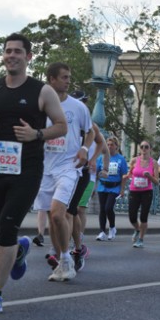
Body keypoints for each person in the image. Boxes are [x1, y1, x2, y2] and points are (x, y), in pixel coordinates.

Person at [0, 33, 67, 314]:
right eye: (8, 51)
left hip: (27, 172)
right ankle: (19, 250)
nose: (11, 55)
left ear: (28, 56)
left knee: (7, 227)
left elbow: (61, 126)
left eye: (17, 51)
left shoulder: (42, 91)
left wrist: (36, 134)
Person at [33, 63, 94, 282]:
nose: (68, 81)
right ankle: (62, 260)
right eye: (64, 77)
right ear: (51, 79)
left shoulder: (78, 107)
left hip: (69, 167)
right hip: (45, 167)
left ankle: (67, 259)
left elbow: (90, 132)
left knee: (59, 213)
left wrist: (84, 149)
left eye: (69, 77)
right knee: (53, 217)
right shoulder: (39, 106)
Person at [67, 91, 108, 272]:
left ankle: (76, 242)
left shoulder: (92, 126)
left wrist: (97, 163)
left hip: (86, 174)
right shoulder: (67, 120)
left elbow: (103, 147)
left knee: (77, 209)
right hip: (65, 172)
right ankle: (67, 245)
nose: (81, 105)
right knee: (61, 212)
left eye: (83, 102)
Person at [125, 141, 158, 248]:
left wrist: (149, 176)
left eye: (146, 147)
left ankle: (140, 239)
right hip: (134, 191)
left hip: (147, 192)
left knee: (144, 216)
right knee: (132, 216)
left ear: (150, 149)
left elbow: (157, 182)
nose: (144, 148)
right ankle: (137, 229)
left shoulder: (154, 163)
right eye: (142, 146)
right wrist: (126, 177)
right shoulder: (134, 160)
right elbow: (130, 174)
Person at [96, 136, 127, 241]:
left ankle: (112, 228)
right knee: (102, 209)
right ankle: (102, 231)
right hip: (102, 186)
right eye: (108, 145)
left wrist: (122, 189)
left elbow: (124, 175)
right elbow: (96, 172)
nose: (109, 147)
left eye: (111, 145)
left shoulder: (121, 159)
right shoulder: (101, 158)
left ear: (116, 146)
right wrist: (94, 186)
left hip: (114, 187)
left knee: (108, 208)